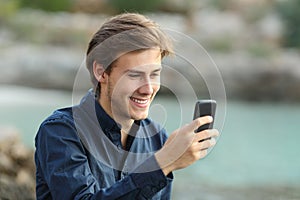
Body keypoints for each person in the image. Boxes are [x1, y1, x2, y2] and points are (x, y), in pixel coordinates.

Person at [34, 13, 219, 199]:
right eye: (134, 75)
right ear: (101, 72)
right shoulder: (60, 131)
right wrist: (162, 164)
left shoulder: (157, 138)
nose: (148, 89)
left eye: (154, 74)